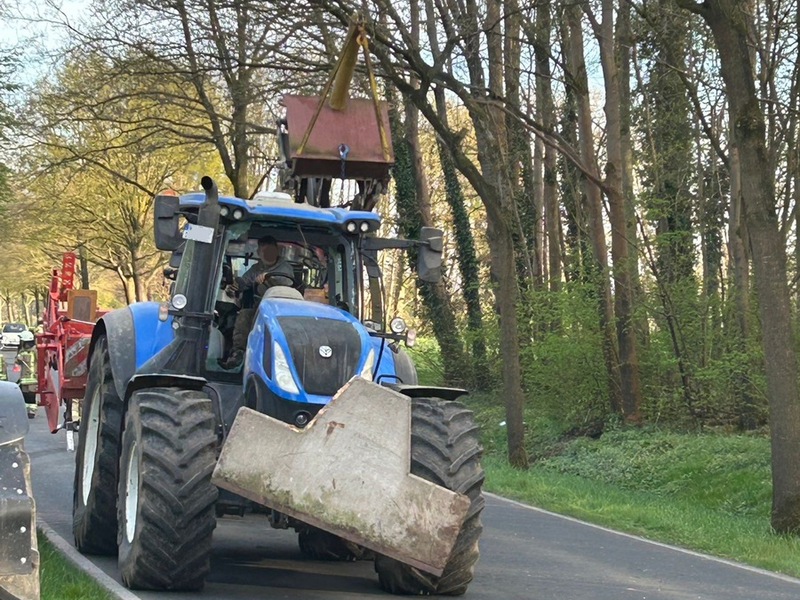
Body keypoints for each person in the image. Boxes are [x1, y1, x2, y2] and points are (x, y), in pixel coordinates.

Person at [219, 235, 295, 369]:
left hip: (282, 311)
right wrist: (236, 286)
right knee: (244, 316)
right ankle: (238, 353)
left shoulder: (285, 268)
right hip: (260, 309)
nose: (267, 254)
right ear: (259, 252)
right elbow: (244, 282)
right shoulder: (256, 269)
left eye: (270, 251)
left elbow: (287, 285)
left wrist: (269, 278)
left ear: (276, 251)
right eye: (263, 251)